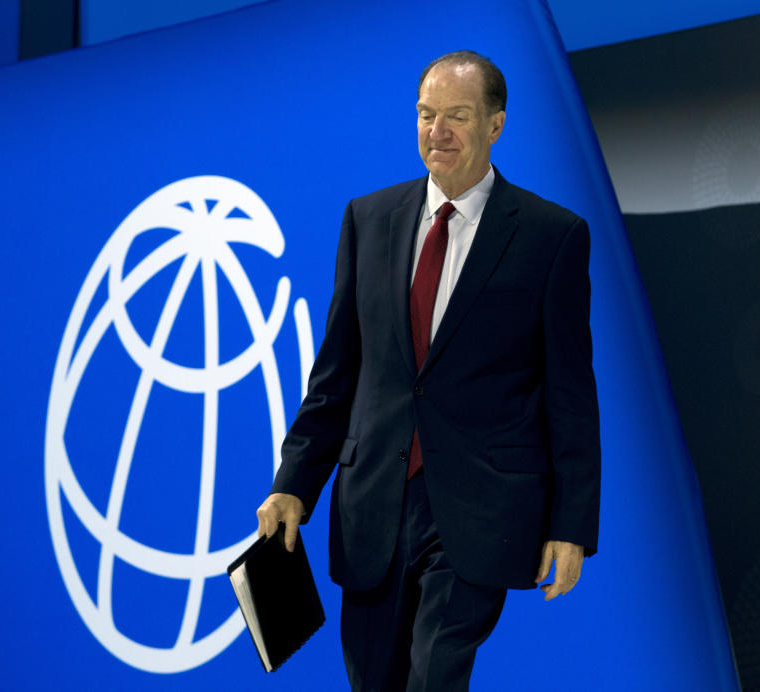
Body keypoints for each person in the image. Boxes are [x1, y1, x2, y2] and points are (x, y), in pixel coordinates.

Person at [256, 50, 601, 691]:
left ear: (496, 125)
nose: (436, 132)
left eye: (457, 117)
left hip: (479, 510)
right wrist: (293, 483)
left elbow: (571, 394)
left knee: (435, 677)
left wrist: (571, 526)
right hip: (372, 508)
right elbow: (336, 376)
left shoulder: (552, 237)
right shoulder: (368, 219)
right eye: (425, 115)